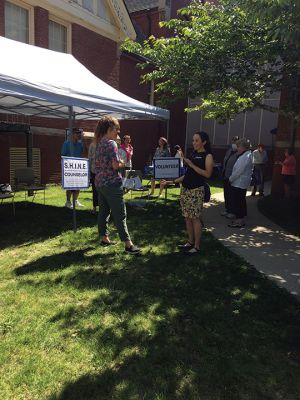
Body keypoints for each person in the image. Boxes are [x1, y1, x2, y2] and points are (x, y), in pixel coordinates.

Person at [94, 116, 140, 254]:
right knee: (120, 213)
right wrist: (122, 162)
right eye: (116, 130)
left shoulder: (99, 143)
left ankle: (104, 238)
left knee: (103, 212)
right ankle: (128, 245)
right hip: (112, 184)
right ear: (109, 129)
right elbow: (115, 165)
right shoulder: (111, 143)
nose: (118, 134)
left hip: (100, 183)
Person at [162, 131, 214, 255]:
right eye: (193, 140)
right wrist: (171, 181)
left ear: (204, 142)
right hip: (185, 190)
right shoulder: (193, 153)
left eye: (197, 140)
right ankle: (190, 242)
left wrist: (191, 164)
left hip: (196, 190)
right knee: (187, 218)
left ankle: (196, 246)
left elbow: (208, 174)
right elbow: (187, 175)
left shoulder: (208, 156)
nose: (194, 143)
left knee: (195, 218)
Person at [227, 138, 253, 228]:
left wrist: (231, 179)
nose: (237, 148)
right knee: (240, 200)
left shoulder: (245, 156)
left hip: (239, 183)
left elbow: (238, 171)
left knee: (239, 201)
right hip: (240, 182)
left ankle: (239, 221)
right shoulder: (246, 155)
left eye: (239, 146)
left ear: (244, 147)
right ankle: (239, 219)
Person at [61, 128, 84, 209]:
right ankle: (68, 201)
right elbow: (62, 156)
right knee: (70, 185)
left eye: (80, 133)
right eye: (77, 133)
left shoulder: (80, 144)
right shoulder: (66, 143)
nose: (79, 135)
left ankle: (75, 200)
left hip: (78, 168)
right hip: (69, 168)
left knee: (78, 185)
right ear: (73, 134)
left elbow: (81, 155)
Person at [221, 136, 239, 218]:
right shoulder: (229, 150)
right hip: (226, 175)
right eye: (234, 141)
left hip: (233, 177)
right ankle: (227, 209)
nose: (234, 143)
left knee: (232, 195)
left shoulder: (239, 153)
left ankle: (232, 211)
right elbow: (225, 160)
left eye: (236, 142)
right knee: (226, 194)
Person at [88, 137, 98, 215]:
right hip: (94, 171)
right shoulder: (92, 145)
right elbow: (90, 158)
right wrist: (89, 172)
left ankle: (103, 209)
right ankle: (94, 208)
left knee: (102, 191)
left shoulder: (105, 144)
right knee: (95, 190)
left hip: (102, 172)